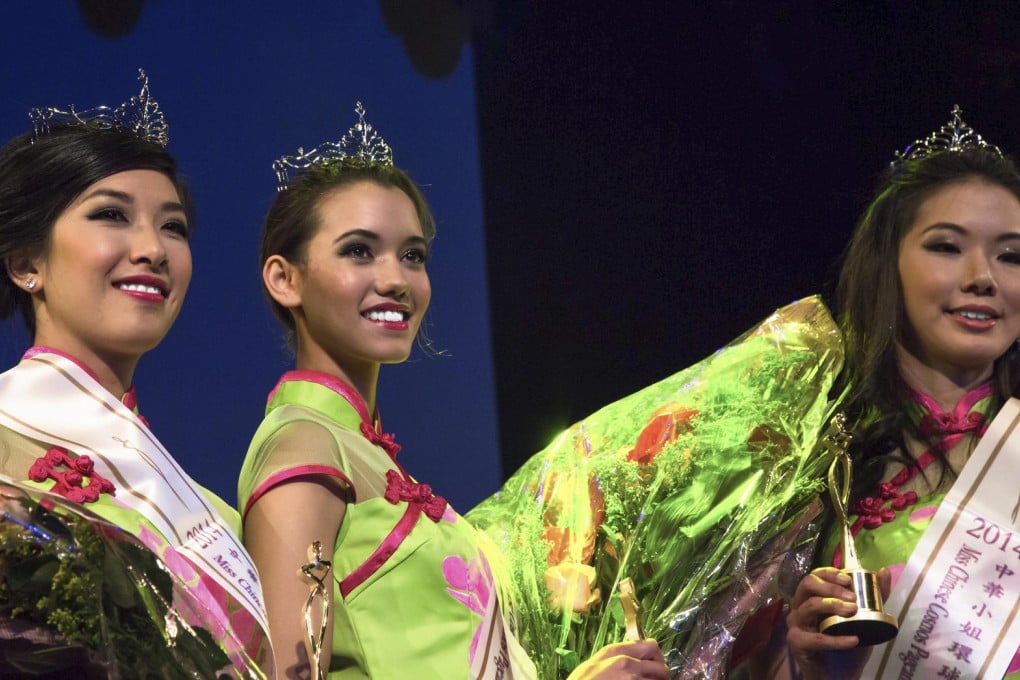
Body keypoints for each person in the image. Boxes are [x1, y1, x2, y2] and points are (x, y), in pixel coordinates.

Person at [237, 103, 669, 679]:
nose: (395, 279)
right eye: (358, 250)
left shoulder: (361, 451)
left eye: (411, 255)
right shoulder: (303, 447)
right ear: (284, 279)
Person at [0, 71, 273, 678]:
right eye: (112, 216)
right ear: (25, 264)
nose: (153, 247)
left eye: (172, 226)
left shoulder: (213, 516)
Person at [768, 107, 1020, 679]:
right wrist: (807, 662)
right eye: (947, 247)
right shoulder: (815, 457)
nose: (984, 275)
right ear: (889, 266)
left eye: (1012, 255)